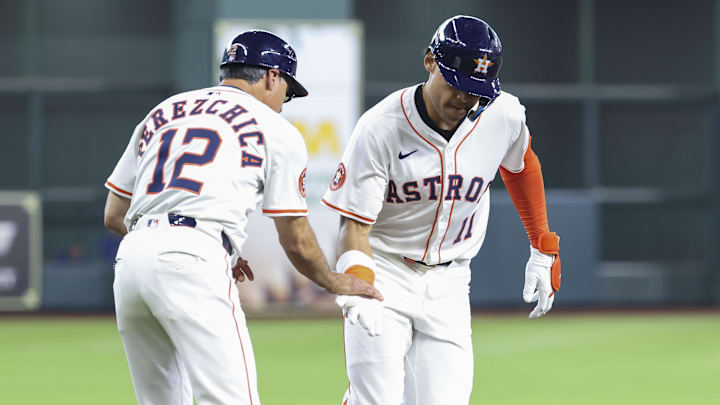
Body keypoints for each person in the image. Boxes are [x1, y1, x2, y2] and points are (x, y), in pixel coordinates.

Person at [103, 30, 382, 405]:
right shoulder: (275, 128)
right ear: (272, 76)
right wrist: (332, 281)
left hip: (131, 261)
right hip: (194, 257)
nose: (285, 102)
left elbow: (114, 214)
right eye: (287, 90)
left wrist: (191, 245)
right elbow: (296, 237)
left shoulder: (164, 111)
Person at [322, 15, 562, 404]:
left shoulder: (502, 113)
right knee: (376, 399)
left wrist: (542, 244)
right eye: (458, 85)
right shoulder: (381, 127)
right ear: (430, 61)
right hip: (385, 272)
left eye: (477, 91)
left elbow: (522, 165)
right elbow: (353, 226)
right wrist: (358, 281)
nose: (465, 99)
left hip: (450, 283)